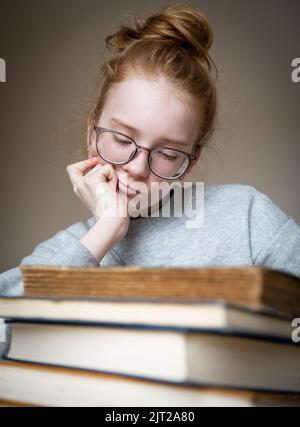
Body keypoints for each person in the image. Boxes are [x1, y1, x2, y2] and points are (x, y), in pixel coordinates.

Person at [1, 3, 300, 302]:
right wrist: (106, 230)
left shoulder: (245, 216)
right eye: (121, 139)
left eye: (168, 154)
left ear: (191, 161)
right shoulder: (70, 248)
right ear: (93, 132)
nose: (138, 168)